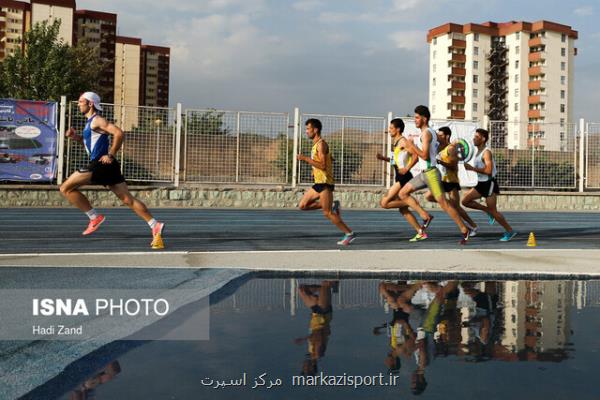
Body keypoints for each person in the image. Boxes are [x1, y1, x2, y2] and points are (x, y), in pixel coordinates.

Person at [60, 92, 165, 249]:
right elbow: (91, 144)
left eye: (81, 101)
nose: (78, 104)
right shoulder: (90, 123)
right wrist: (76, 138)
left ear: (90, 104)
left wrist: (110, 154)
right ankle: (154, 224)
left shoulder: (97, 119)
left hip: (101, 163)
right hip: (108, 165)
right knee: (127, 199)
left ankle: (94, 217)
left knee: (65, 188)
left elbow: (119, 133)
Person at [398, 106, 473, 244]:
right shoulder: (430, 132)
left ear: (424, 118)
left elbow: (425, 155)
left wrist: (411, 145)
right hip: (424, 174)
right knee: (403, 193)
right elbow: (441, 145)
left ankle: (464, 229)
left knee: (444, 204)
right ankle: (425, 216)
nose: (415, 120)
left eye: (417, 117)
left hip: (431, 174)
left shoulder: (427, 133)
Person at [297, 118, 356, 245]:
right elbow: (327, 161)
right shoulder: (316, 145)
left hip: (325, 183)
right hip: (318, 183)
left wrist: (305, 159)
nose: (306, 131)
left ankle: (349, 234)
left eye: (308, 129)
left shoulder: (321, 144)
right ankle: (332, 204)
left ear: (316, 129)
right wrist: (316, 168)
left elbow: (323, 165)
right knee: (303, 205)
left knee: (327, 213)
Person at [461, 129, 518, 242]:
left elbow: (488, 170)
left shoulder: (486, 152)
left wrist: (472, 168)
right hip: (481, 183)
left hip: (489, 183)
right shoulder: (477, 151)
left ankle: (509, 231)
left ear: (483, 139)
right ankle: (486, 211)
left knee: (494, 212)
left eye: (476, 137)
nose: (474, 138)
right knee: (465, 202)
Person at [377, 118, 428, 242]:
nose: (389, 130)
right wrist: (384, 158)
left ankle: (413, 204)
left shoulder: (403, 141)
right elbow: (396, 161)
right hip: (399, 176)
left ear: (398, 129)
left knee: (384, 203)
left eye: (391, 128)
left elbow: (416, 155)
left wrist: (407, 168)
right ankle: (421, 232)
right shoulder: (396, 142)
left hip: (404, 178)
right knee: (403, 210)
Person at [424, 126, 478, 236]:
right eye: (437, 135)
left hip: (451, 181)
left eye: (440, 135)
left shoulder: (451, 148)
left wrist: (440, 162)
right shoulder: (439, 148)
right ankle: (450, 207)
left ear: (447, 136)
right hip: (442, 180)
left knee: (456, 207)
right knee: (429, 196)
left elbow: (453, 167)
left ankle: (473, 226)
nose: (438, 137)